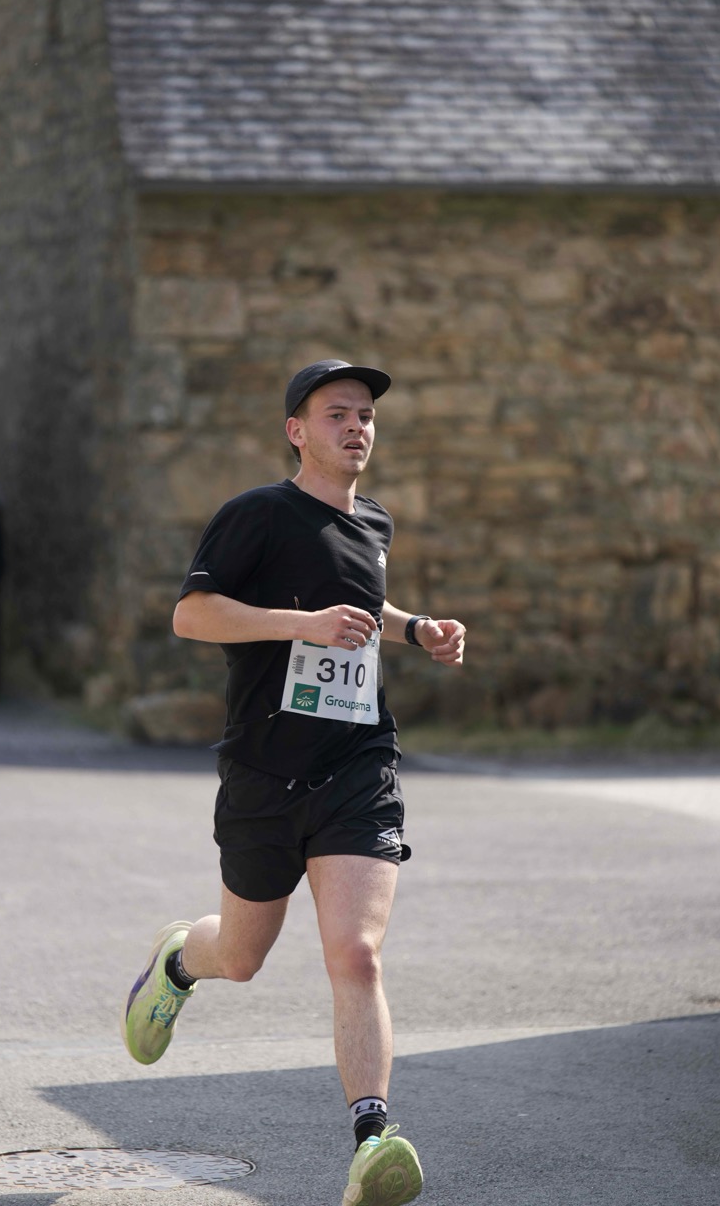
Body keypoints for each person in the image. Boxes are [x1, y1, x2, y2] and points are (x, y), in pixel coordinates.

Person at [121, 359, 466, 1206]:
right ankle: (178, 963)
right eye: (337, 413)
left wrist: (415, 627)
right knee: (241, 957)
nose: (356, 427)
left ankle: (372, 1141)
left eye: (365, 415)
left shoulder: (373, 521)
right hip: (263, 771)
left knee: (356, 953)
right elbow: (191, 614)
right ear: (296, 431)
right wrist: (299, 625)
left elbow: (361, 604)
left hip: (357, 764)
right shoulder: (256, 515)